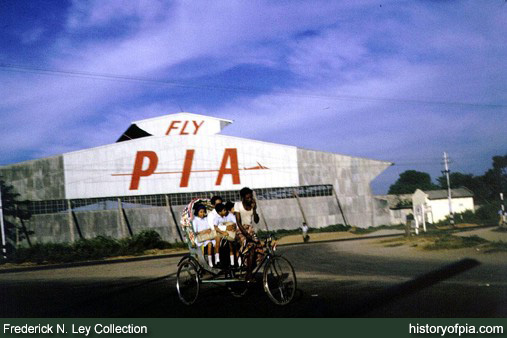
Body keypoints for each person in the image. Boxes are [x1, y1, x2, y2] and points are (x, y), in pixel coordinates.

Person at [234, 187, 261, 282]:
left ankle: (248, 270)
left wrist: (254, 210)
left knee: (260, 250)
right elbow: (238, 222)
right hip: (241, 231)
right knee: (251, 247)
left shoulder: (252, 205)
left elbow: (256, 221)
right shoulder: (238, 205)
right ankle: (249, 275)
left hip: (250, 230)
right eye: (248, 198)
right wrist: (246, 234)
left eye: (251, 197)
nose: (250, 199)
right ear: (243, 198)